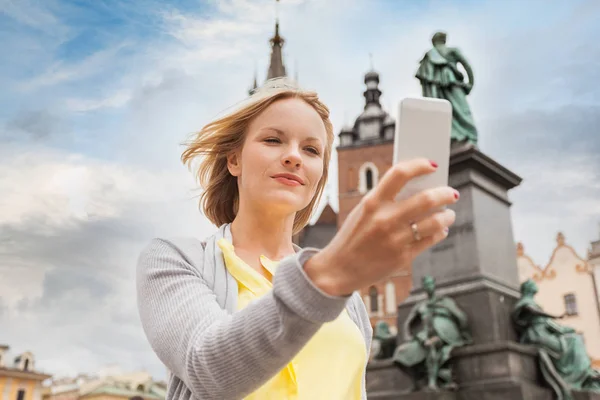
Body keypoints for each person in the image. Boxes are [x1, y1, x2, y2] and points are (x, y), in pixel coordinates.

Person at [136, 78, 459, 400]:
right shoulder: (176, 259)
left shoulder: (350, 299)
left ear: (319, 175)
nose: (294, 157)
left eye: (311, 149)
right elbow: (208, 370)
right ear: (234, 160)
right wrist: (330, 277)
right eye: (273, 140)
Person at [512, 279, 600, 400]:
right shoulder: (525, 302)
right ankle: (571, 380)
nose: (535, 285)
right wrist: (553, 315)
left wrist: (565, 329)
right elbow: (531, 310)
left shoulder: (532, 302)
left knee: (575, 340)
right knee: (568, 346)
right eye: (532, 284)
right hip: (536, 335)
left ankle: (583, 377)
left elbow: (549, 324)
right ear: (528, 288)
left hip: (544, 332)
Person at [393, 276, 471, 391]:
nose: (429, 287)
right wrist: (408, 336)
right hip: (424, 336)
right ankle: (417, 382)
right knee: (399, 354)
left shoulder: (445, 302)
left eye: (430, 284)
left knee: (432, 345)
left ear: (434, 285)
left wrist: (463, 334)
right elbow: (408, 323)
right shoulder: (421, 306)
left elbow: (461, 318)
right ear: (424, 287)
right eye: (426, 285)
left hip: (444, 335)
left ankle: (432, 382)